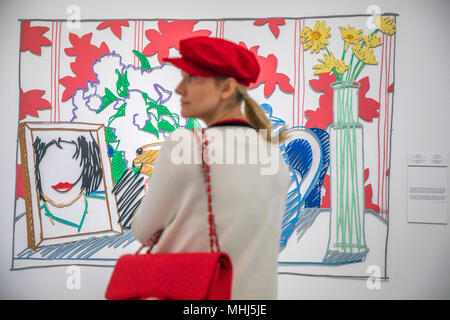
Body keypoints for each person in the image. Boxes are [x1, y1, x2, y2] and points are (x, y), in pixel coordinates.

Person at [131, 36, 291, 300]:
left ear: (227, 87)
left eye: (192, 78)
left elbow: (142, 231)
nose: (179, 89)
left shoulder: (183, 145)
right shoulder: (273, 156)